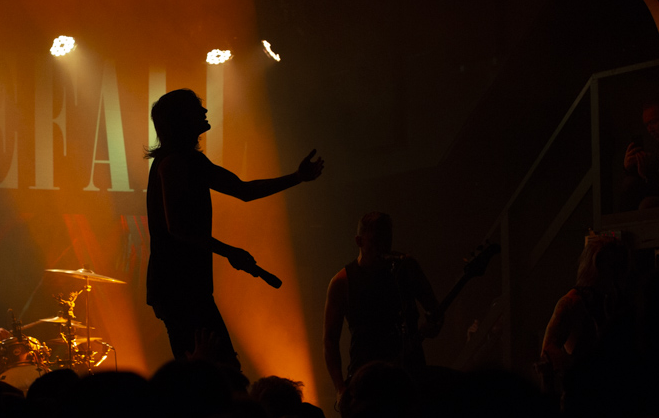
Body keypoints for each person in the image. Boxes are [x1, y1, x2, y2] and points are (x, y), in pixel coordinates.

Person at [145, 88, 324, 368]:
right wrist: (230, 251)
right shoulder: (174, 163)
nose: (204, 112)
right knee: (217, 370)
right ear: (181, 119)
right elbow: (178, 228)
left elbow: (242, 190)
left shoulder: (188, 161)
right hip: (178, 287)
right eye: (197, 108)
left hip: (183, 286)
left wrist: (297, 177)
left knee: (210, 371)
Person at [323, 212, 440, 397]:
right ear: (359, 241)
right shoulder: (342, 282)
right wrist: (340, 388)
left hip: (410, 375)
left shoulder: (406, 267)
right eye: (375, 241)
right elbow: (330, 340)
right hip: (365, 380)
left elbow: (434, 311)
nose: (383, 247)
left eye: (387, 241)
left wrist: (431, 327)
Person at [539, 232, 631, 412]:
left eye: (619, 267)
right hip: (583, 403)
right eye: (612, 266)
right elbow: (548, 351)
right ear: (597, 265)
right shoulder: (572, 303)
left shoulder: (615, 300)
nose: (616, 273)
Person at [621, 100, 659, 210]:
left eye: (654, 122)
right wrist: (630, 168)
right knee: (629, 183)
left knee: (646, 204)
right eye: (647, 125)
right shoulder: (658, 150)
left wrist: (647, 175)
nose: (650, 129)